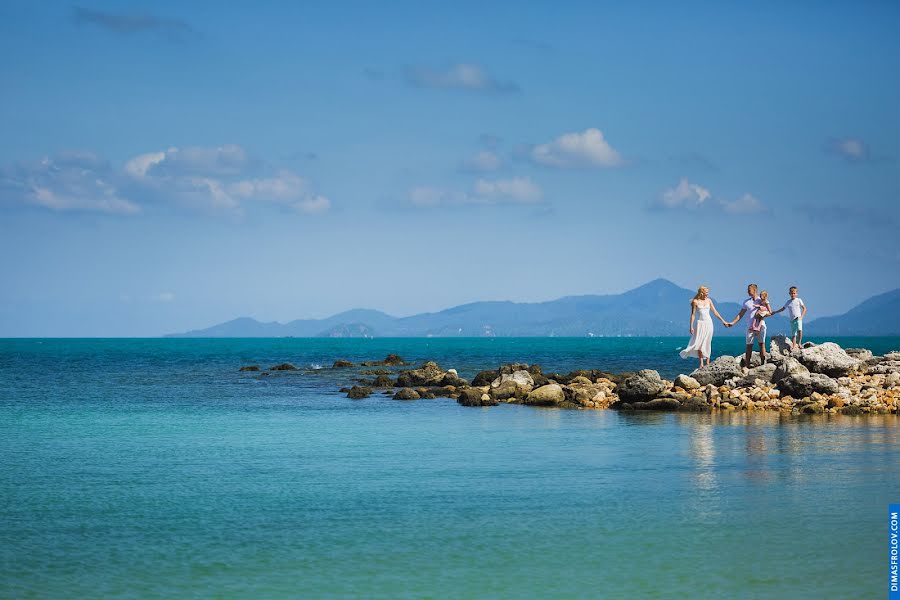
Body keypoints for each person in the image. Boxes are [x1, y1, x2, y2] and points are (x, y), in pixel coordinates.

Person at [680, 285, 729, 368]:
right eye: (706, 292)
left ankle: (708, 362)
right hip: (700, 324)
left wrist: (723, 321)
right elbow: (693, 315)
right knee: (699, 343)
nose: (707, 294)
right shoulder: (695, 302)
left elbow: (715, 312)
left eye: (708, 292)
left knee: (707, 342)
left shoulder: (709, 300)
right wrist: (691, 326)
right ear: (702, 292)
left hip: (709, 323)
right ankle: (701, 363)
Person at [726, 283, 768, 367]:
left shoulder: (762, 300)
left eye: (749, 290)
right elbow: (740, 314)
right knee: (749, 346)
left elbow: (768, 312)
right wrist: (733, 323)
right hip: (750, 327)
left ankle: (764, 364)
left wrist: (761, 313)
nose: (748, 292)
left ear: (755, 290)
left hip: (761, 325)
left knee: (762, 344)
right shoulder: (746, 302)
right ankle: (747, 366)